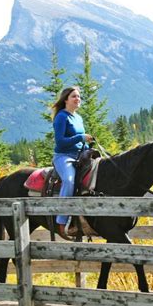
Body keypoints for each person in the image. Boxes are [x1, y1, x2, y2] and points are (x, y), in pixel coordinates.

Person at [52, 87, 93, 237]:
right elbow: (60, 142)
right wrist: (80, 137)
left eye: (79, 96)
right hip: (64, 156)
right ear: (66, 100)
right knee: (69, 181)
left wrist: (88, 146)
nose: (78, 99)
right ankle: (62, 222)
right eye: (74, 96)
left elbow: (80, 141)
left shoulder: (78, 117)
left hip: (80, 155)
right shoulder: (61, 117)